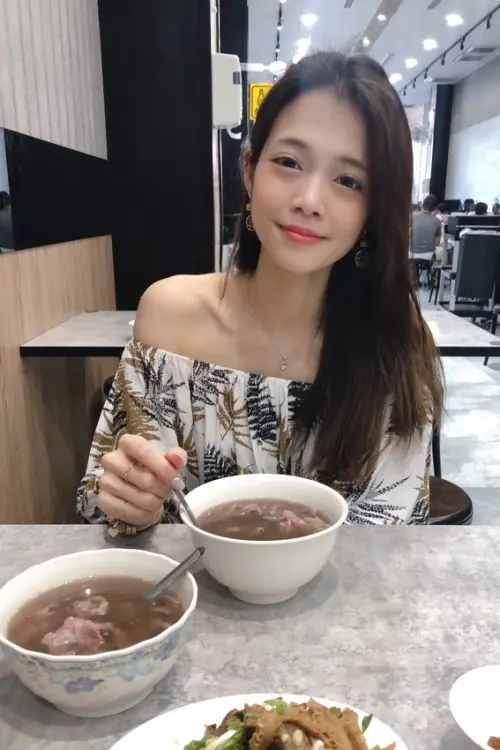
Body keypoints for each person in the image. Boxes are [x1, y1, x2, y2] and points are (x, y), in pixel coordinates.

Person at [77, 51, 443, 532]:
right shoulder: (170, 318)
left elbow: (388, 541)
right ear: (250, 170)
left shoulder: (395, 344)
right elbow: (112, 511)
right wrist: (131, 502)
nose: (309, 200)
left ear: (373, 210)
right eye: (289, 162)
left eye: (348, 180)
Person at [411, 194, 441, 260]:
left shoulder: (412, 216)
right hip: (428, 256)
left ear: (422, 205)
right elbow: (437, 243)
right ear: (434, 208)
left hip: (411, 254)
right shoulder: (437, 221)